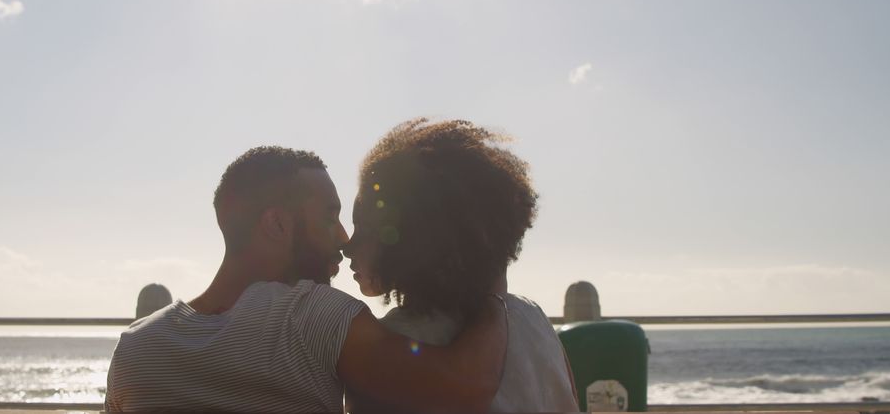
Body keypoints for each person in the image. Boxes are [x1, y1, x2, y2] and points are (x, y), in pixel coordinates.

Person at [105, 146, 508, 413]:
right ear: (277, 224)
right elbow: (464, 387)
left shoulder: (135, 348)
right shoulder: (313, 316)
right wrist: (492, 297)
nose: (344, 237)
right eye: (330, 216)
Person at [344, 118, 579, 413]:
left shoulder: (392, 346)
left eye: (363, 228)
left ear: (410, 240)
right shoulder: (530, 315)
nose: (346, 246)